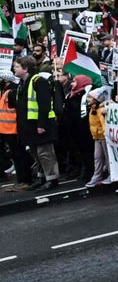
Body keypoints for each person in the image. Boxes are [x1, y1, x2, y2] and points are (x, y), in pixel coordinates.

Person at [14, 56, 59, 190]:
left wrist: (41, 125)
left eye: (16, 66)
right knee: (35, 153)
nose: (14, 69)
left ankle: (52, 179)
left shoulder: (39, 81)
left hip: (41, 125)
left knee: (45, 153)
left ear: (25, 68)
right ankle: (41, 177)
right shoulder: (22, 83)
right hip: (29, 126)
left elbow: (44, 105)